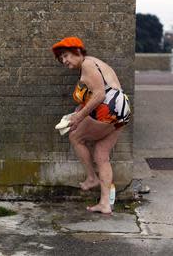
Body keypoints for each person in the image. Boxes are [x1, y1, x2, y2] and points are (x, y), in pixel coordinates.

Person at [52, 36, 131, 214]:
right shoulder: (92, 64)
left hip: (109, 108)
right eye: (61, 59)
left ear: (78, 52)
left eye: (66, 56)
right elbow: (93, 96)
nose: (64, 61)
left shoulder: (87, 64)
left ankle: (91, 178)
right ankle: (105, 204)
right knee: (101, 153)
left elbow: (99, 95)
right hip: (121, 110)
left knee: (75, 136)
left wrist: (78, 117)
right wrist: (77, 112)